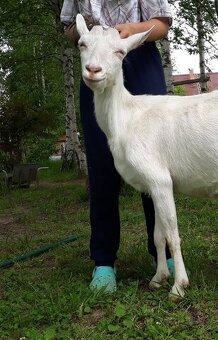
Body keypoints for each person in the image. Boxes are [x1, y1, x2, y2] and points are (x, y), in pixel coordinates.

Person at [60, 0, 173, 293]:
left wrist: (130, 31)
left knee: (154, 163)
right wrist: (89, 35)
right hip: (96, 63)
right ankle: (104, 262)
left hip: (137, 61)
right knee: (101, 164)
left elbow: (162, 24)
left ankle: (166, 255)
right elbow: (69, 27)